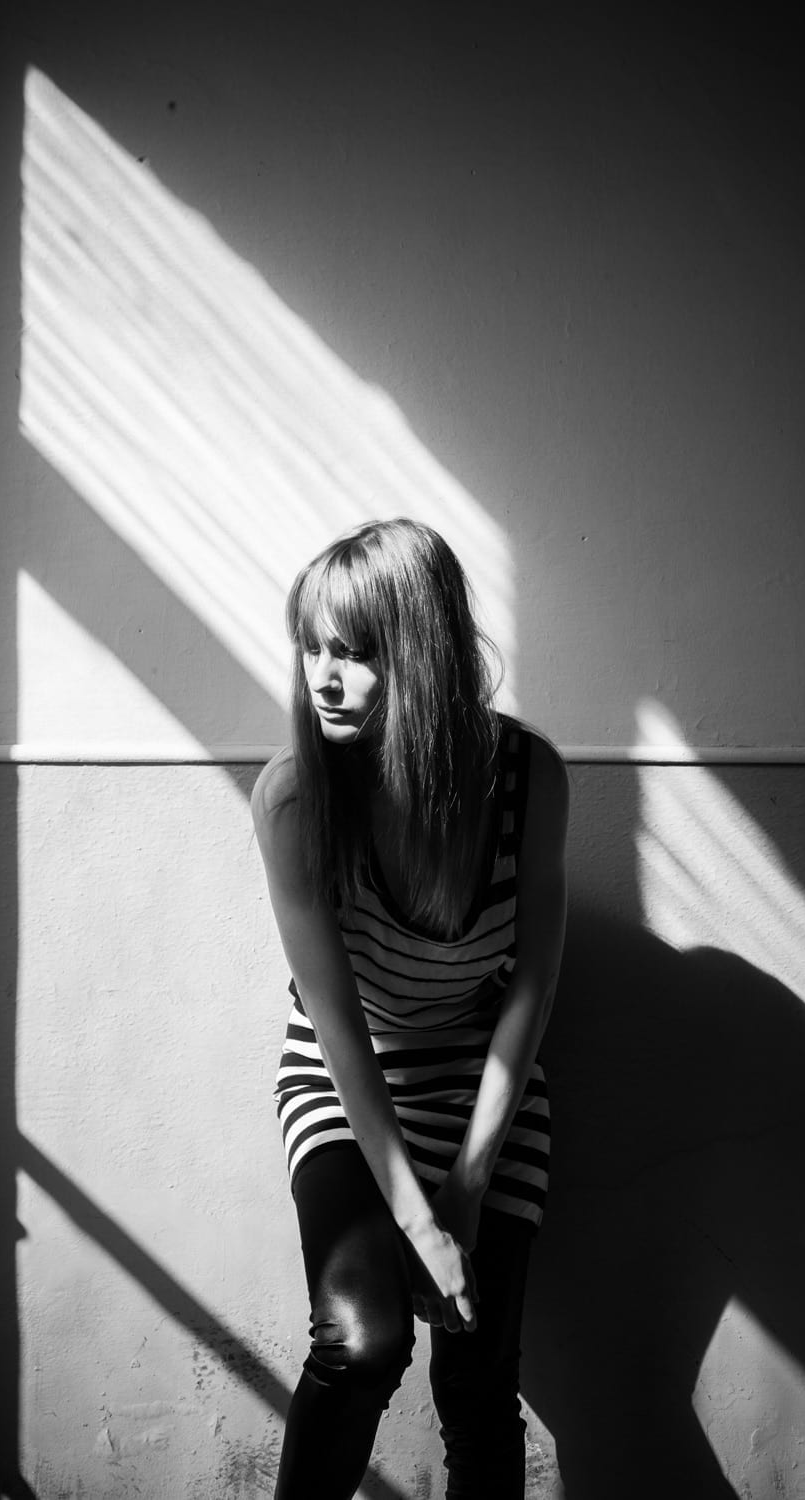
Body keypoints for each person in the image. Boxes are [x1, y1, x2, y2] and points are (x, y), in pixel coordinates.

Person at [252, 519, 568, 1499]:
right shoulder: (294, 801)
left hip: (484, 1081)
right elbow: (337, 1030)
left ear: (421, 654)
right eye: (311, 648)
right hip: (347, 1079)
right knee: (364, 1343)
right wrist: (416, 1222)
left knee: (477, 1378)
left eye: (354, 653)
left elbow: (532, 983)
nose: (322, 678)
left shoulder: (528, 779)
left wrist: (466, 1188)